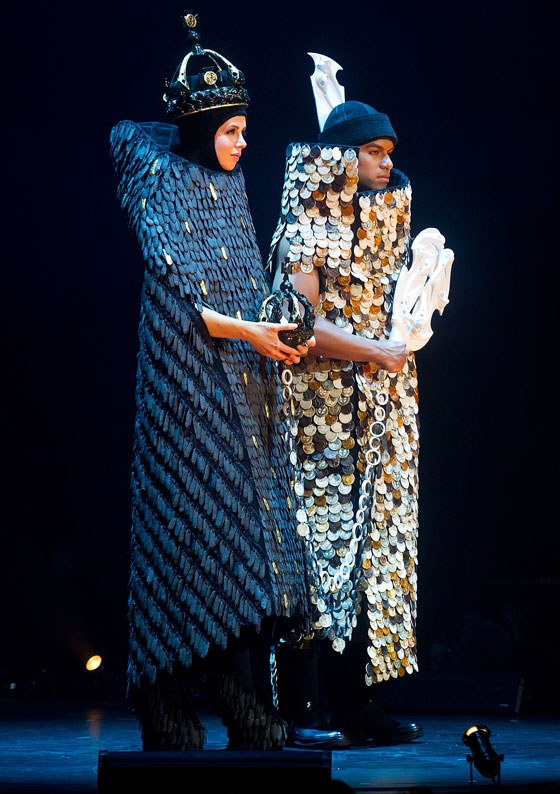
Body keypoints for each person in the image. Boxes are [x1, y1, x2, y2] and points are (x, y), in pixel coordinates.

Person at [110, 12, 313, 751]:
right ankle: (166, 695)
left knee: (247, 539)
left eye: (244, 130)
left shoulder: (231, 188)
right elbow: (180, 294)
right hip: (184, 390)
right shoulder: (166, 182)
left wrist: (277, 321)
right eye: (231, 131)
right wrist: (248, 331)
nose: (242, 142)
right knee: (186, 532)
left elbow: (244, 278)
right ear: (201, 130)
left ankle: (241, 693)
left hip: (241, 388)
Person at [269, 98, 425, 747]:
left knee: (370, 554)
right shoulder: (306, 225)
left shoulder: (384, 222)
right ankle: (299, 708)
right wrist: (375, 350)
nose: (387, 163)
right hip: (318, 412)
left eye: (390, 153)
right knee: (316, 553)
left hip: (380, 407)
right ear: (342, 157)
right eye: (373, 152)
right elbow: (299, 326)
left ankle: (356, 703)